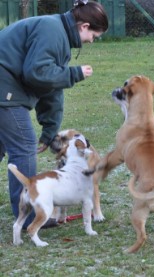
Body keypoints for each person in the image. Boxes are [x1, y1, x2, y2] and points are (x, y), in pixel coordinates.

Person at [0, 0, 108, 228]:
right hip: (4, 87)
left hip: (7, 87)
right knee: (24, 146)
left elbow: (51, 88)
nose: (91, 41)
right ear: (84, 26)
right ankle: (29, 215)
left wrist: (50, 131)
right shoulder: (52, 31)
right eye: (94, 36)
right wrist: (74, 73)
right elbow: (36, 72)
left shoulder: (60, 36)